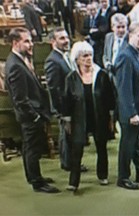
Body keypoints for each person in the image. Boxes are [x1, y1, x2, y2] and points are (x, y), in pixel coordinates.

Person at [5, 27, 60, 193]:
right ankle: (37, 182)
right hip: (29, 116)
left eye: (31, 41)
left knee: (30, 147)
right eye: (26, 41)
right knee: (32, 149)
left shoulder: (20, 59)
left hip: (32, 113)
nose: (31, 45)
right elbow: (20, 99)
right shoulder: (15, 65)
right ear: (15, 43)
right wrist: (35, 117)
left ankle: (34, 176)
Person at [70, 41, 115, 186]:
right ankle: (74, 181)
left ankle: (103, 175)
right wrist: (66, 119)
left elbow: (110, 98)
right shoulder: (71, 77)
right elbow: (66, 99)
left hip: (99, 117)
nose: (88, 58)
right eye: (84, 56)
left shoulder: (101, 75)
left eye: (90, 55)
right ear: (77, 59)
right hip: (79, 119)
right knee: (77, 150)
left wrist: (112, 117)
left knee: (101, 147)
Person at [44, 27, 88, 173]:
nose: (66, 41)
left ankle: (71, 163)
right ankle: (68, 164)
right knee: (66, 136)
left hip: (70, 104)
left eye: (67, 37)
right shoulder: (53, 61)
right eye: (61, 38)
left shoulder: (63, 56)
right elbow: (54, 88)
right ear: (53, 41)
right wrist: (61, 111)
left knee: (70, 136)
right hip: (64, 107)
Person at [115, 22, 139, 190]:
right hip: (131, 111)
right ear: (130, 36)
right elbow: (124, 88)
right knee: (127, 145)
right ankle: (123, 177)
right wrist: (131, 113)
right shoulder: (125, 56)